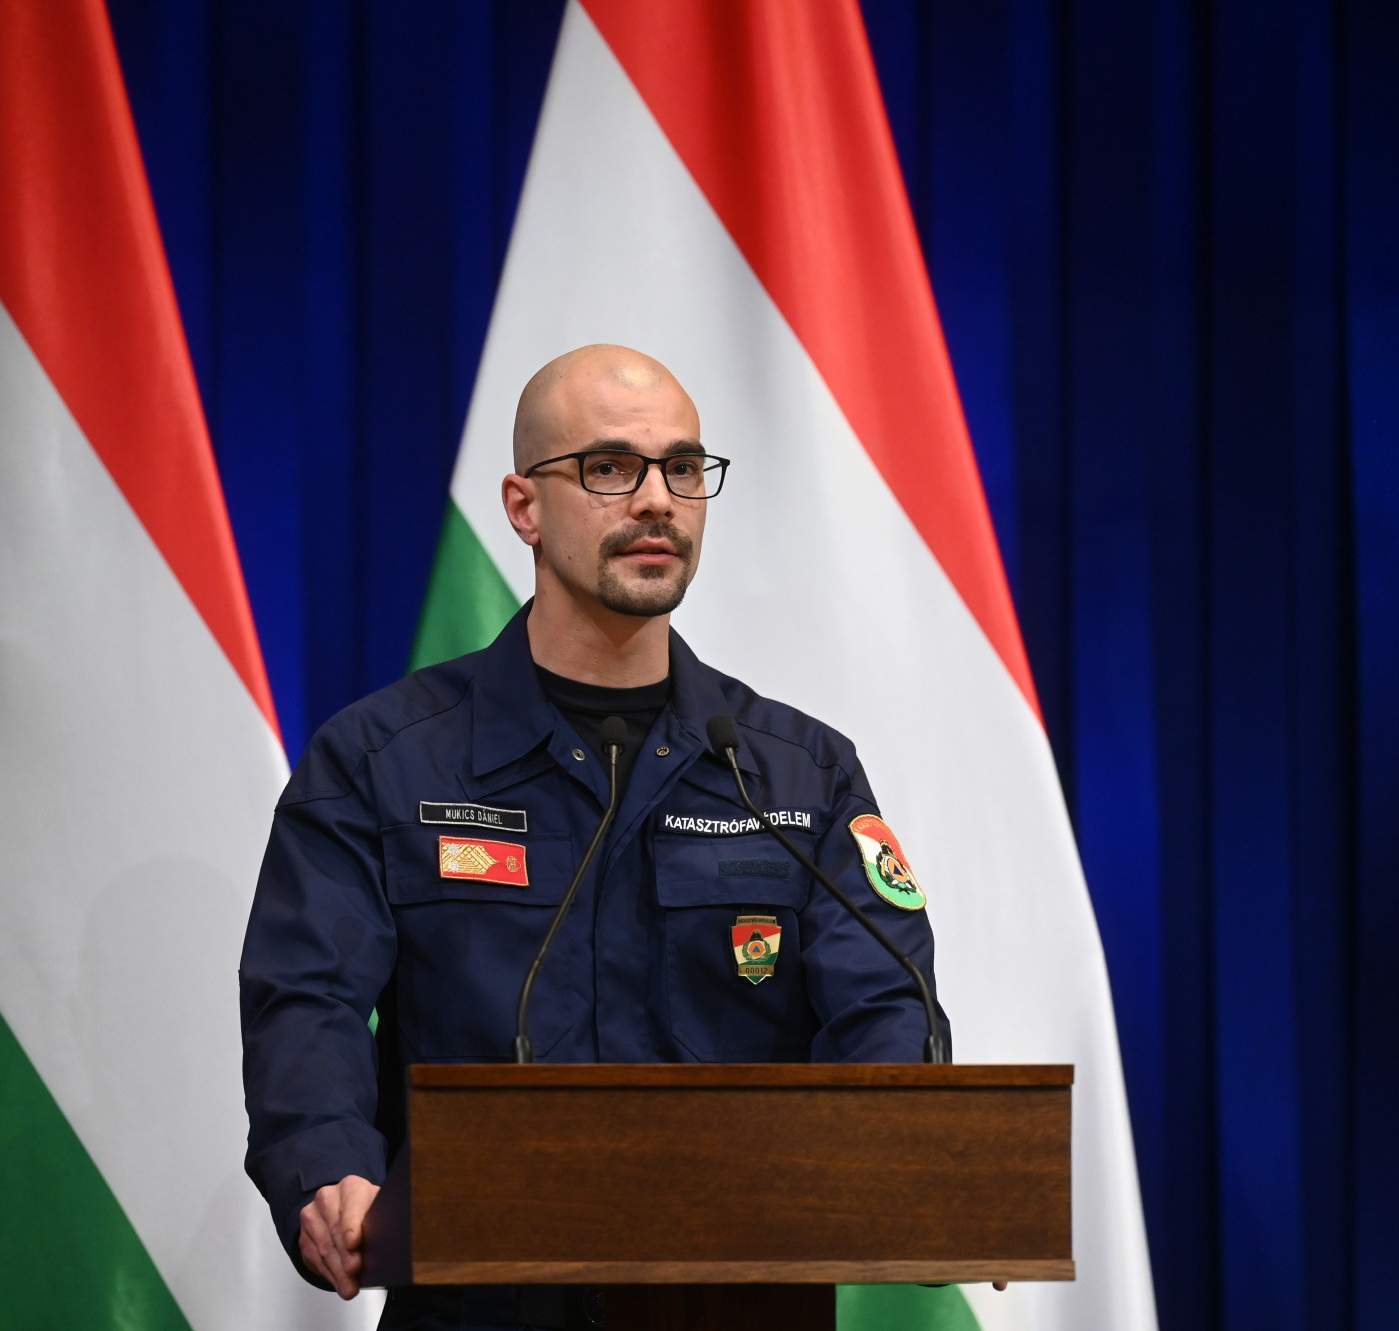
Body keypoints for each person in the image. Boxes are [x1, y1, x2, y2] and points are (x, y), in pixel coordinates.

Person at [238, 345, 952, 1330]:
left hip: (738, 1300)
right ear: (523, 505)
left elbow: (883, 1003)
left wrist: (913, 1160)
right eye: (610, 467)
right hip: (482, 1302)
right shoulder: (382, 760)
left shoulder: (799, 773)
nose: (657, 499)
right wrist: (328, 1167)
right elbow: (306, 999)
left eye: (682, 468)